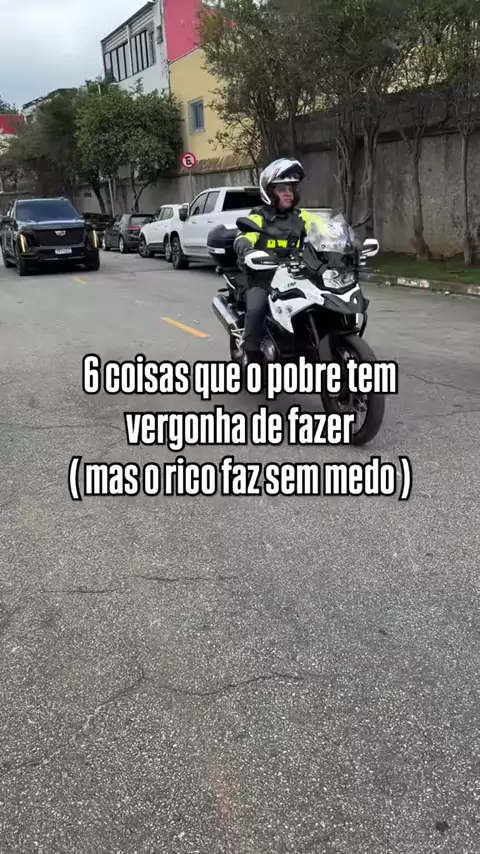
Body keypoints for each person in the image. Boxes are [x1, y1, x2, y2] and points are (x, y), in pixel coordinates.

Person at [234, 157, 323, 365]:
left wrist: (349, 242)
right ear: (269, 192)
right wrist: (248, 250)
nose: (288, 193)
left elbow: (327, 231)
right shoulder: (259, 218)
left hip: (297, 274)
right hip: (263, 276)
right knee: (256, 309)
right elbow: (242, 238)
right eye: (282, 189)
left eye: (291, 189)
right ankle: (252, 356)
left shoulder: (303, 217)